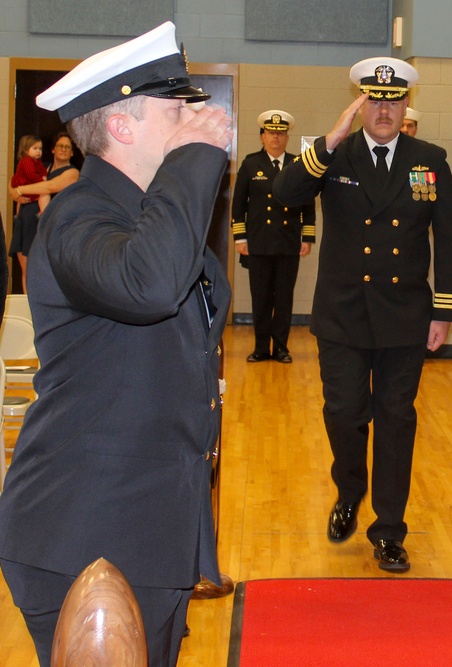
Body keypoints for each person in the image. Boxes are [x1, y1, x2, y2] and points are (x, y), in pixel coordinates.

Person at [0, 21, 233, 667]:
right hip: (86, 526)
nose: (196, 118)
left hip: (146, 522)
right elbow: (151, 287)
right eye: (175, 108)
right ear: (124, 127)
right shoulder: (78, 216)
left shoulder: (147, 216)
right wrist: (194, 160)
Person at [274, 57, 452, 573]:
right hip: (342, 314)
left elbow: (450, 235)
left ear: (407, 106)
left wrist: (445, 309)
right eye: (374, 101)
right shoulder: (335, 155)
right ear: (360, 105)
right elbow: (285, 194)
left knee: (397, 420)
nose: (384, 111)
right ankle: (349, 490)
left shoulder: (429, 159)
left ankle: (388, 530)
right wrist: (329, 139)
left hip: (405, 315)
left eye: (393, 101)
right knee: (343, 413)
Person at [232, 109, 316, 363]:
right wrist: (240, 237)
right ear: (262, 136)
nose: (276, 138)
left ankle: (281, 348)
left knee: (284, 297)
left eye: (281, 133)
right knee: (260, 297)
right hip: (258, 242)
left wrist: (307, 237)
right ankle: (260, 347)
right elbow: (238, 205)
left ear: (287, 137)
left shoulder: (297, 165)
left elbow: (308, 203)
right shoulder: (250, 164)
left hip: (288, 242)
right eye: (271, 133)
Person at [8, 132, 82, 290]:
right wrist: (15, 193)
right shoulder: (41, 167)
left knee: (42, 271)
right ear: (53, 149)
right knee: (26, 270)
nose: (63, 149)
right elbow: (14, 179)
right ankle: (29, 309)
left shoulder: (72, 173)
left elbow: (50, 186)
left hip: (48, 226)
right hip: (26, 220)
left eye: (67, 147)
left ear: (72, 152)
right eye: (60, 146)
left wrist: (20, 190)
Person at [8, 135, 48, 290]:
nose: (38, 152)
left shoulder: (37, 163)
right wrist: (43, 181)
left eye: (40, 149)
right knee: (25, 257)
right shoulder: (26, 161)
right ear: (25, 150)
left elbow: (42, 172)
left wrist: (43, 178)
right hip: (24, 190)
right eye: (35, 149)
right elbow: (31, 176)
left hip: (31, 203)